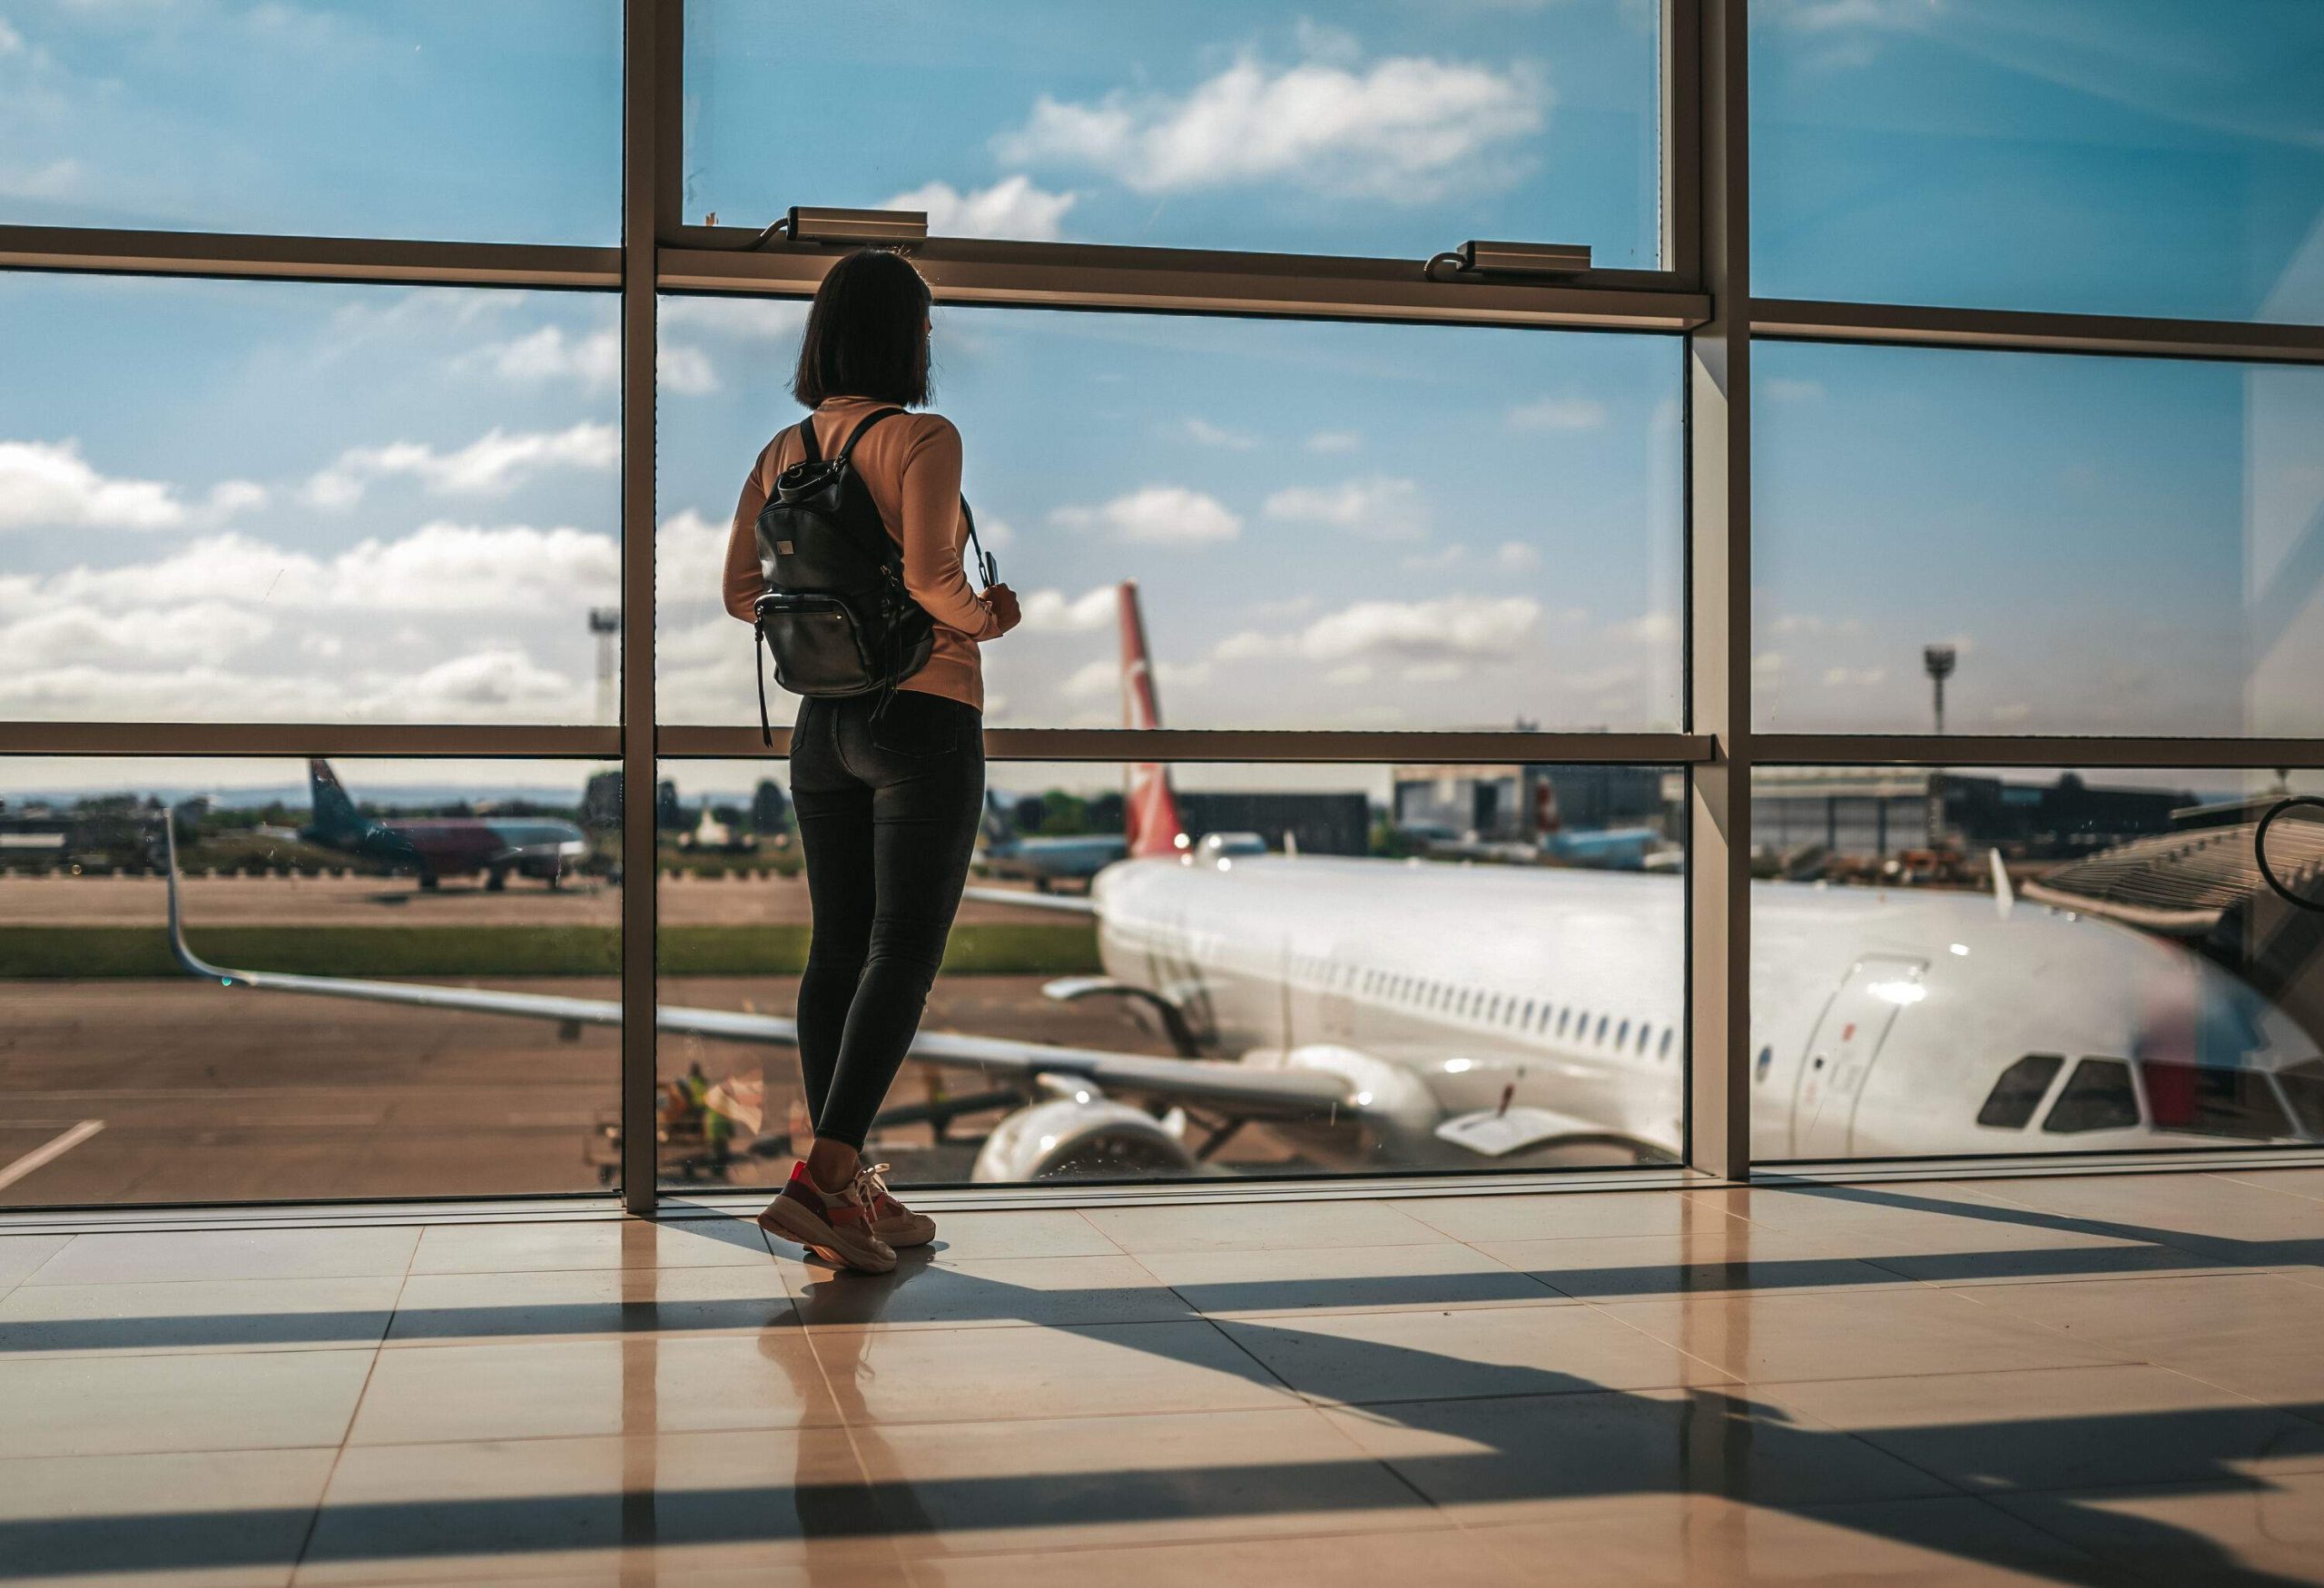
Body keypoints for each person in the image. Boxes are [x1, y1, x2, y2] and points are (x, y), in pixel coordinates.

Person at [721, 248, 1021, 1273]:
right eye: (926, 327)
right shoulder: (922, 436)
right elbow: (938, 582)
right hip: (924, 713)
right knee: (903, 953)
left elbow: (736, 592)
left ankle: (844, 1192)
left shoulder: (782, 448)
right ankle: (821, 1179)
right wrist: (990, 619)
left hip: (821, 729)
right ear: (907, 338)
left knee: (836, 951)